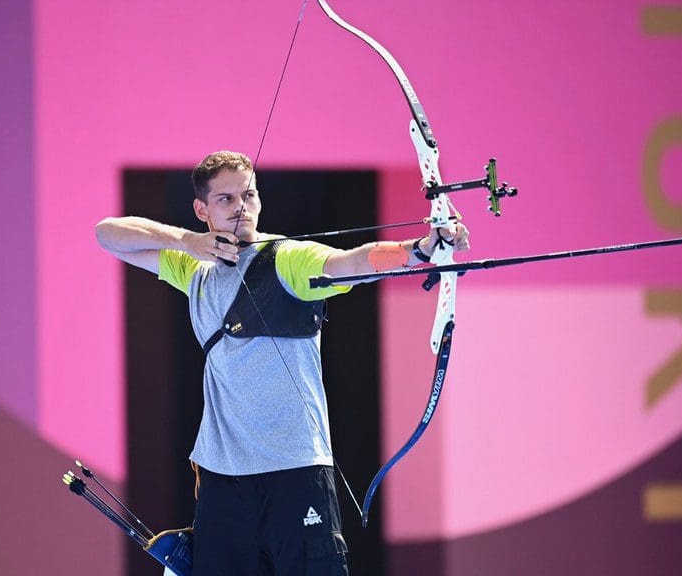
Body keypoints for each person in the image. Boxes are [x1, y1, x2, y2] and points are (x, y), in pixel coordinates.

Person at [95, 150, 469, 575]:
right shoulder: (192, 268)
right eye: (226, 199)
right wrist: (188, 242)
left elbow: (351, 264)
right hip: (222, 477)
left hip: (295, 468)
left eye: (249, 195)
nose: (241, 208)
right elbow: (107, 234)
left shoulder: (287, 259)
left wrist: (418, 250)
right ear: (201, 209)